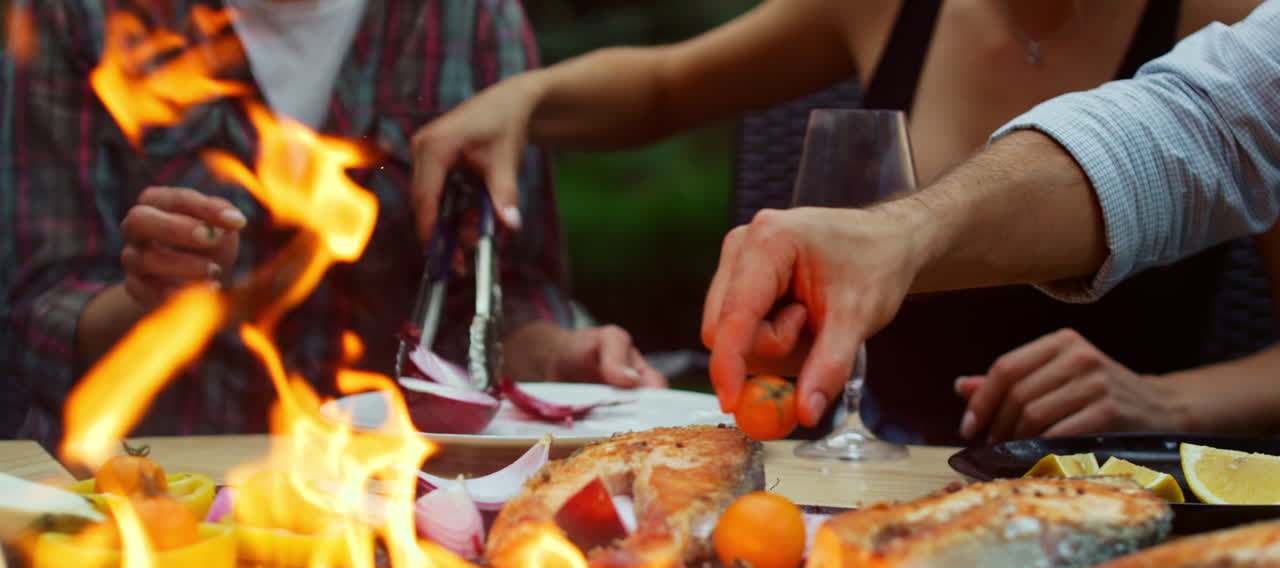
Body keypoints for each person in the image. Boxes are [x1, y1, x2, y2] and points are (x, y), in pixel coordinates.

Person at [410, 0, 1278, 446]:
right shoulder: (888, 8)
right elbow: (669, 84)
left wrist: (1160, 402)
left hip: (1115, 492)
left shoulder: (1236, 33)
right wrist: (529, 96)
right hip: (870, 479)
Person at [2, 0, 664, 450]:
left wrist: (555, 361)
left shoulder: (466, 14)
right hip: (167, 499)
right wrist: (155, 303)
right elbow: (36, 312)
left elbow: (511, 286)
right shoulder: (78, 14)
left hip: (407, 506)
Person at [702, 2, 1280, 429]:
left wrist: (1166, 403)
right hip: (885, 456)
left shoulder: (1236, 22)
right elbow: (1170, 130)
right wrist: (897, 236)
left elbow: (1194, 134)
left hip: (1112, 479)